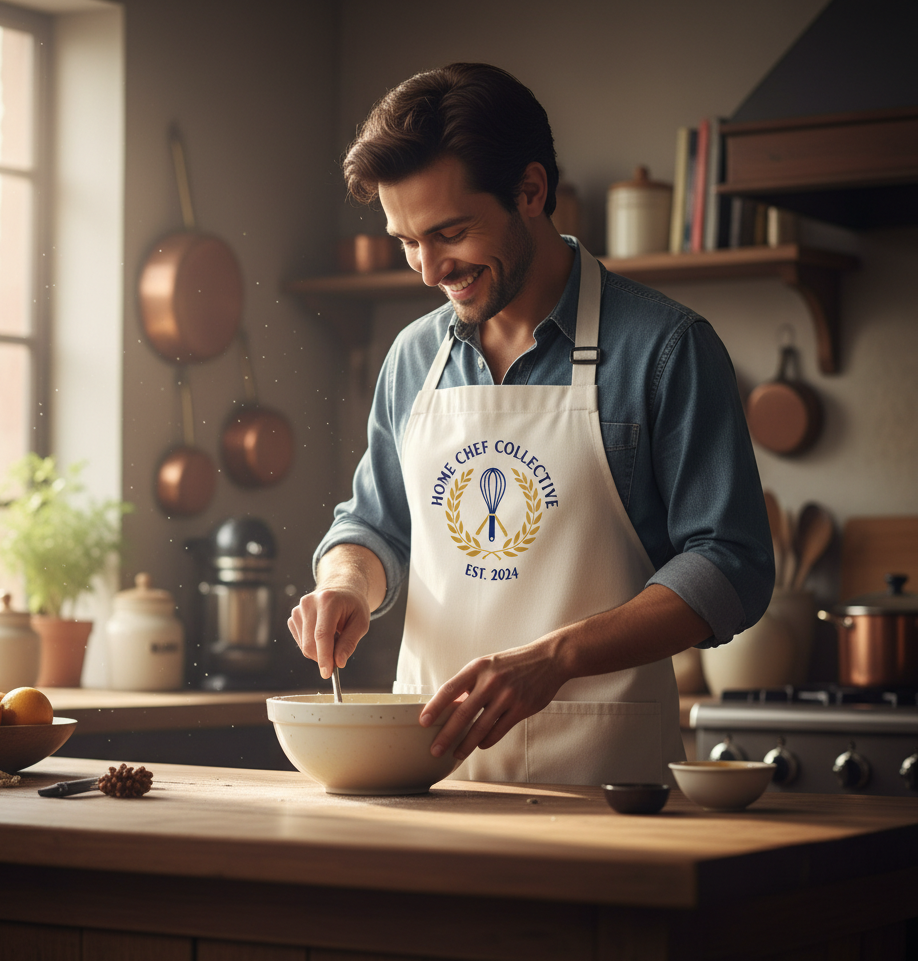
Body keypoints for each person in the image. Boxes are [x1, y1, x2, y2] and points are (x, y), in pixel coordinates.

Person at [288, 63, 774, 785]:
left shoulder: (666, 350)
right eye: (405, 241)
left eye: (449, 232)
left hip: (605, 790)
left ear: (531, 191)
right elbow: (376, 527)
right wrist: (346, 586)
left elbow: (731, 565)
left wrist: (557, 658)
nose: (427, 270)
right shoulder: (413, 357)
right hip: (423, 782)